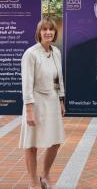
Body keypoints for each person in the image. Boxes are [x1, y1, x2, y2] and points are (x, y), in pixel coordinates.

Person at [19, 17, 65, 189]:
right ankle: (32, 182)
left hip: (52, 101)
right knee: (32, 144)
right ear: (39, 32)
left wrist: (61, 99)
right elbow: (26, 84)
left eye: (51, 30)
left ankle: (44, 175)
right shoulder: (30, 54)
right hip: (35, 102)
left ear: (55, 33)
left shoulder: (56, 52)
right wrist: (29, 110)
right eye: (44, 29)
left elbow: (58, 79)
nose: (48, 32)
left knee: (56, 141)